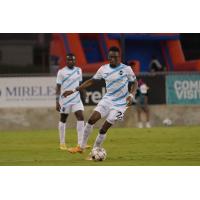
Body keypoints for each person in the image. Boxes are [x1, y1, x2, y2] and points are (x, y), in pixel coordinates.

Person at [62, 46, 138, 156]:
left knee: (103, 128)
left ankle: (95, 150)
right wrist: (74, 90)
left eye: (115, 57)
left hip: (121, 104)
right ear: (108, 56)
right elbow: (91, 81)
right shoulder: (103, 69)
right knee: (91, 120)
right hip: (108, 99)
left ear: (119, 57)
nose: (113, 59)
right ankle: (81, 147)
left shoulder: (126, 69)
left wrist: (131, 95)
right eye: (111, 57)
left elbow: (135, 83)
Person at [56, 53, 90, 150]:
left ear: (75, 61)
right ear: (66, 61)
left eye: (73, 60)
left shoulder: (78, 70)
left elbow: (80, 84)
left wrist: (84, 92)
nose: (71, 61)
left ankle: (80, 143)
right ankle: (62, 143)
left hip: (76, 98)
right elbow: (58, 87)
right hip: (65, 99)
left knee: (81, 117)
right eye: (69, 60)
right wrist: (57, 101)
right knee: (63, 119)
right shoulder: (61, 72)